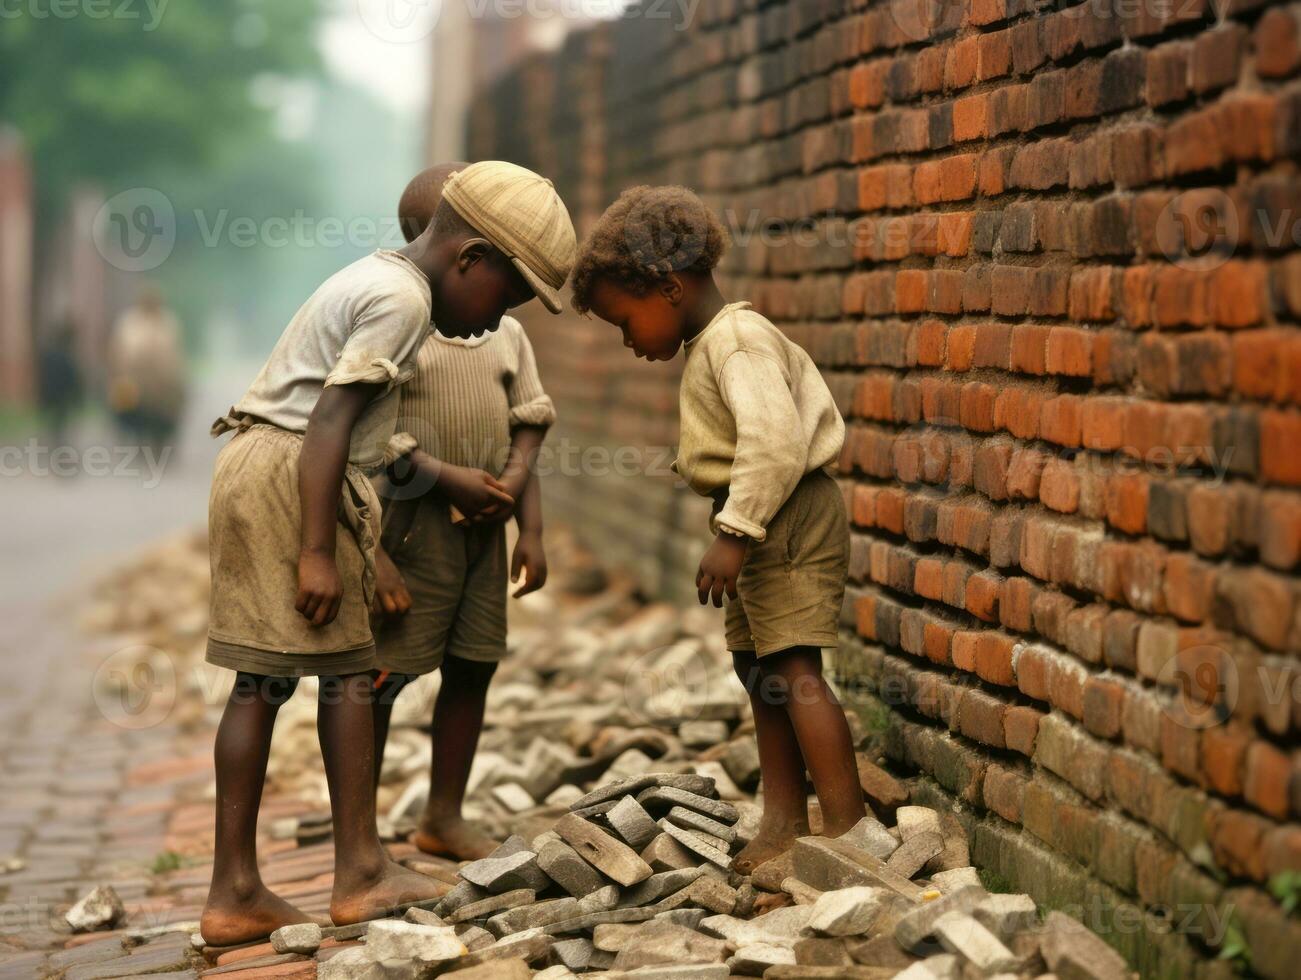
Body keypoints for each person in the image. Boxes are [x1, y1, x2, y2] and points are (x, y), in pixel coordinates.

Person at [200, 161, 575, 945]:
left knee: (278, 679)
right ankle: (352, 875)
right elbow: (331, 422)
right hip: (294, 471)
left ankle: (247, 887)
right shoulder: (403, 302)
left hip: (275, 466)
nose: (500, 316)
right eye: (507, 295)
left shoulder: (384, 283)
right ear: (468, 258)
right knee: (331, 675)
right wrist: (316, 551)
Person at [569, 185, 866, 874]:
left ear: (666, 287)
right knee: (756, 666)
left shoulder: (737, 341)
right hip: (757, 513)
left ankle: (850, 833)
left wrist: (735, 533)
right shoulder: (712, 343)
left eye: (625, 320)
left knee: (792, 666)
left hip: (779, 514)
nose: (627, 339)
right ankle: (785, 822)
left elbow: (774, 441)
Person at [367, 163, 554, 861]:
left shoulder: (505, 336)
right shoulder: (403, 328)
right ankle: (360, 827)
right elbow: (370, 437)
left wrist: (526, 521)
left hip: (484, 538)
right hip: (412, 533)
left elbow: (527, 422)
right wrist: (441, 484)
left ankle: (443, 814)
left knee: (473, 666)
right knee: (385, 675)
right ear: (438, 247)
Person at [107, 284, 185, 452]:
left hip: (163, 382)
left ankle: (160, 441)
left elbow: (174, 352)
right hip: (135, 379)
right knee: (132, 411)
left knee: (166, 412)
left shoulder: (167, 321)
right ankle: (138, 438)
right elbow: (120, 350)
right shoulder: (129, 322)